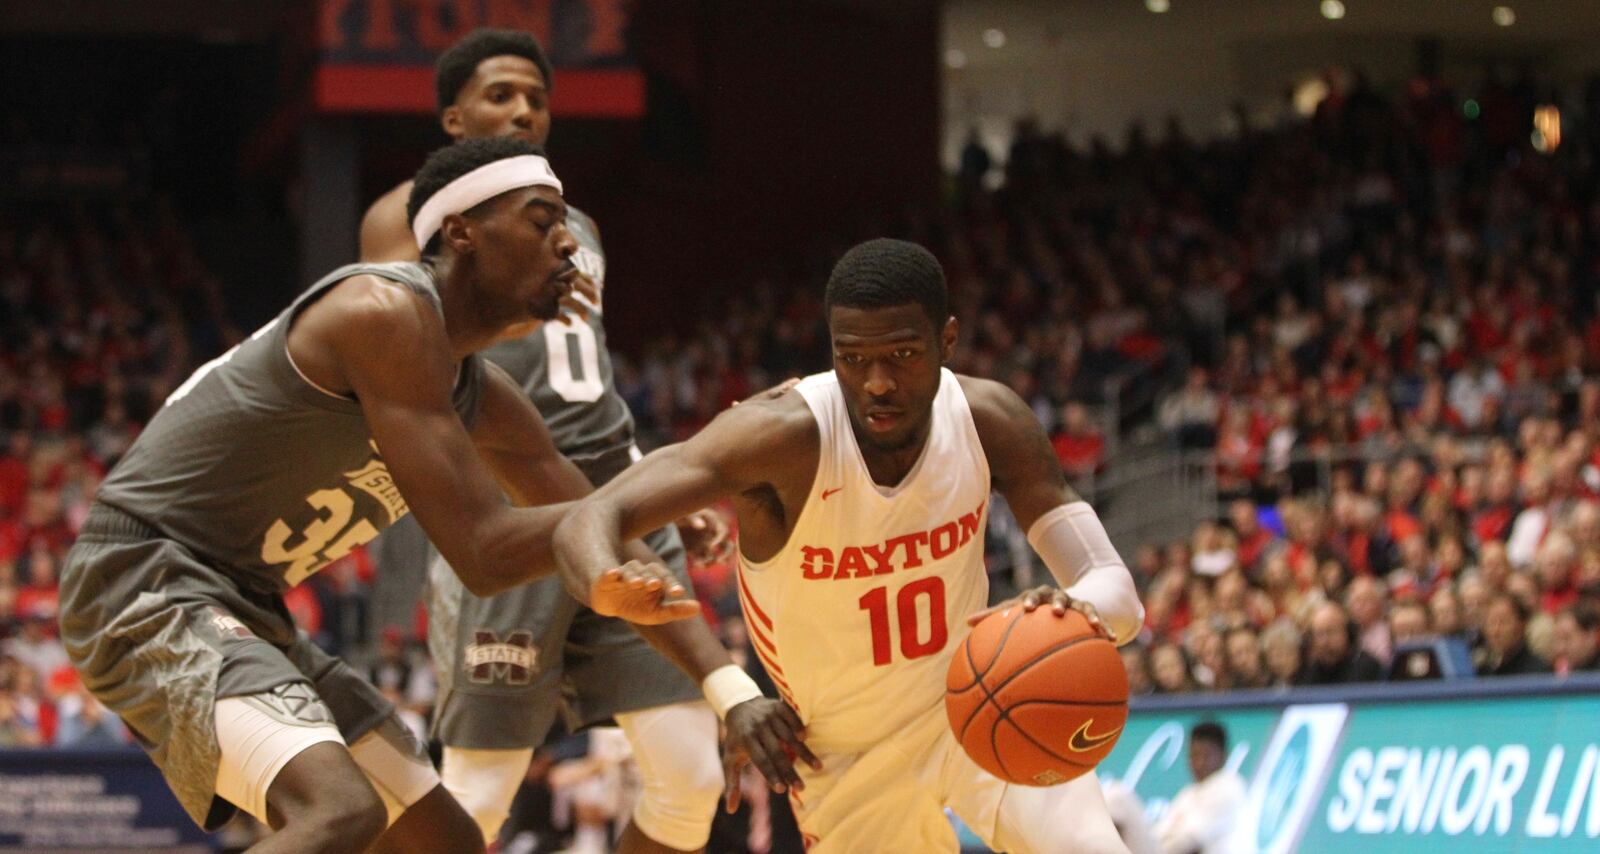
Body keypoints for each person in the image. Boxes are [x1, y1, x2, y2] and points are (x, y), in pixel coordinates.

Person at [57, 138, 776, 854]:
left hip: (243, 601)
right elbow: (487, 552)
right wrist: (699, 469)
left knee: (441, 843)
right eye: (541, 221)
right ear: (460, 231)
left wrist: (730, 691)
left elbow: (603, 529)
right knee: (339, 812)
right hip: (144, 581)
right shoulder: (383, 311)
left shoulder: (485, 395)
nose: (568, 247)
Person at [555, 239, 1144, 853]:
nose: (878, 383)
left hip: (982, 699)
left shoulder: (989, 419)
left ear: (947, 340)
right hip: (842, 753)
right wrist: (604, 581)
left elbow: (1117, 590)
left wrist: (1079, 611)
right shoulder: (779, 437)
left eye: (904, 354)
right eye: (853, 358)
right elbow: (589, 519)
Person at [358, 29, 737, 851]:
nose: (524, 109)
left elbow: (586, 385)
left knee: (692, 780)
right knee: (481, 795)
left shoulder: (579, 226)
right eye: (500, 94)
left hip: (610, 501)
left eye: (536, 97)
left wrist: (657, 488)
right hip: (506, 514)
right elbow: (399, 372)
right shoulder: (404, 216)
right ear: (454, 118)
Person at [1150, 722, 1246, 854]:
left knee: (1119, 800)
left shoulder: (1229, 787)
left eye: (1206, 756)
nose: (1199, 763)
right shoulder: (1188, 793)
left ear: (1223, 755)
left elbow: (1189, 843)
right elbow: (1158, 834)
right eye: (1194, 756)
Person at [1300, 601, 1383, 685]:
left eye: (1331, 632)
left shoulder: (1368, 667)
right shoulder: (1308, 673)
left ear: (1347, 633)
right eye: (1319, 634)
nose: (1324, 641)